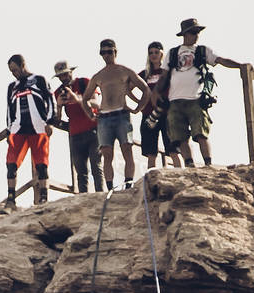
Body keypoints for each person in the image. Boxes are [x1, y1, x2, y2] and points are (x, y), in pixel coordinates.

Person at [163, 19, 218, 168]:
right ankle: (189, 165)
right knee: (179, 136)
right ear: (185, 34)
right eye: (194, 32)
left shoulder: (202, 50)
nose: (197, 35)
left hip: (196, 98)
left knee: (200, 133)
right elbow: (164, 75)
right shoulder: (173, 53)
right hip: (175, 99)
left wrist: (240, 66)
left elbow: (219, 60)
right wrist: (156, 93)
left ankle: (208, 164)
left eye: (198, 32)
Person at [3, 53, 56, 207]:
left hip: (38, 127)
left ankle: (43, 198)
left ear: (22, 66)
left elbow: (50, 100)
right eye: (11, 71)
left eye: (15, 70)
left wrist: (50, 121)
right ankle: (11, 198)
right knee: (11, 163)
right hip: (18, 128)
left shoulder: (39, 80)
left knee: (41, 163)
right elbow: (9, 110)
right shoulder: (12, 87)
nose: (13, 73)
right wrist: (8, 130)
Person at [88, 39, 140, 192]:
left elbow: (144, 88)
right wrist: (91, 115)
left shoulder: (124, 70)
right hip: (104, 117)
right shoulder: (98, 75)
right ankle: (110, 187)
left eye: (109, 51)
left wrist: (138, 107)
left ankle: (129, 184)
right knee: (107, 154)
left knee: (127, 151)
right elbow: (85, 98)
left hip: (122, 114)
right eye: (103, 52)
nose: (106, 55)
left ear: (115, 52)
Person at [56, 60, 101, 195]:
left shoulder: (84, 82)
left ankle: (101, 195)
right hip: (74, 133)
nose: (63, 78)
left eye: (65, 74)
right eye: (60, 76)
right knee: (80, 171)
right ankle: (83, 197)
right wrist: (59, 105)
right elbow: (57, 120)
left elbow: (96, 104)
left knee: (96, 166)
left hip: (93, 129)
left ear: (71, 72)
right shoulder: (58, 92)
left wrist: (78, 99)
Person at [135, 40, 170, 182]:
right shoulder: (145, 74)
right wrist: (139, 103)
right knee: (151, 151)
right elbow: (127, 86)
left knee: (173, 148)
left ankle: (180, 173)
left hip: (167, 112)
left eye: (156, 52)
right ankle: (151, 180)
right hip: (150, 114)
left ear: (162, 53)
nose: (153, 55)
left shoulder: (168, 72)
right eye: (151, 53)